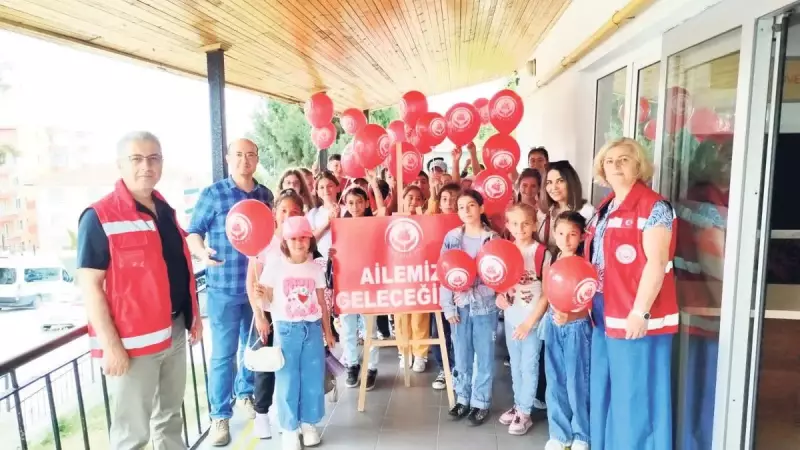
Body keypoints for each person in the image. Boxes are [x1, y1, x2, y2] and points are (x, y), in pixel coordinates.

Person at [76, 131, 202, 450]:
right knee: (132, 435)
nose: (146, 165)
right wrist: (111, 345)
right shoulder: (100, 216)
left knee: (170, 418)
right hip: (132, 347)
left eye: (154, 158)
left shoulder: (164, 209)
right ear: (120, 165)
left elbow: (177, 268)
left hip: (173, 332)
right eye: (136, 158)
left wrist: (192, 318)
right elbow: (90, 286)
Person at [587, 137, 678, 450]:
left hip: (633, 313)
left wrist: (641, 312)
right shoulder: (606, 206)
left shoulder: (655, 207)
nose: (615, 166)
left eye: (624, 159)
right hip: (603, 309)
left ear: (639, 165)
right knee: (606, 388)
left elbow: (658, 262)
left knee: (633, 396)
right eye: (610, 161)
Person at [186, 138, 274, 446]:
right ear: (228, 158)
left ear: (257, 158)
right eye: (238, 155)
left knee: (253, 348)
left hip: (258, 289)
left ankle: (246, 393)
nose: (244, 160)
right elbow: (193, 231)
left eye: (250, 155)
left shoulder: (265, 194)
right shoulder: (214, 194)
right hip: (223, 287)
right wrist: (201, 252)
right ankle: (219, 417)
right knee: (223, 355)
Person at [257, 216, 335, 450]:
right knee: (288, 380)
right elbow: (268, 301)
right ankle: (290, 429)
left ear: (310, 240)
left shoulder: (315, 268)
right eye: (293, 238)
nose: (299, 243)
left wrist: (327, 331)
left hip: (311, 329)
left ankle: (309, 423)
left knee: (312, 377)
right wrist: (261, 296)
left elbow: (322, 303)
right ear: (285, 241)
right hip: (286, 329)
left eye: (303, 237)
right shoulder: (274, 266)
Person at [245, 189, 307, 439]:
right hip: (269, 314)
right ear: (274, 213)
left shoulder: (303, 241)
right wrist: (259, 315)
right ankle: (262, 415)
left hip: (294, 314)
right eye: (284, 211)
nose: (288, 215)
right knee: (267, 365)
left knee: (292, 367)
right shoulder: (264, 243)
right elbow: (252, 282)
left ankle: (291, 418)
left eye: (294, 212)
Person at [441, 190, 498, 426]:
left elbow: (499, 274)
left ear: (481, 208)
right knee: (462, 354)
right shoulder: (452, 238)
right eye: (461, 206)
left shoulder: (492, 238)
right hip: (460, 305)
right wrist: (448, 306)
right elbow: (444, 272)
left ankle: (481, 402)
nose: (466, 210)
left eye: (471, 205)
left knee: (484, 356)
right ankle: (463, 398)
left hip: (485, 307)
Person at [495, 203, 552, 436]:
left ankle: (525, 412)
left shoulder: (541, 253)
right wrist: (500, 298)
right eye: (515, 223)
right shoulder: (505, 250)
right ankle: (519, 404)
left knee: (529, 365)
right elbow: (499, 283)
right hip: (511, 318)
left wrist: (530, 322)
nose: (521, 228)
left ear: (534, 224)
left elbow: (548, 293)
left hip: (532, 320)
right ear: (507, 225)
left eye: (526, 223)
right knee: (516, 365)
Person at [544, 211, 592, 450]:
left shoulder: (586, 265)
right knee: (555, 380)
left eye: (572, 234)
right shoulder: (552, 260)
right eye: (561, 233)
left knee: (577, 382)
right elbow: (547, 294)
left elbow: (588, 303)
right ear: (554, 234)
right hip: (553, 324)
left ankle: (581, 434)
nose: (566, 239)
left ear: (582, 237)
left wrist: (570, 315)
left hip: (577, 327)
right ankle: (559, 433)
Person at [338, 180, 386, 390]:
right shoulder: (340, 225)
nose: (355, 207)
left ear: (366, 203)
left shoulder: (373, 223)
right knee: (348, 328)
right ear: (346, 205)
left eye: (359, 202)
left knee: (369, 328)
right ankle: (352, 365)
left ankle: (371, 367)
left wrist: (374, 184)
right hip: (346, 282)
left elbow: (383, 210)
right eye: (350, 203)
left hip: (368, 283)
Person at [426, 182, 461, 390]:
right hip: (437, 286)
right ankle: (444, 368)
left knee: (460, 329)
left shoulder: (467, 224)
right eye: (445, 199)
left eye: (454, 199)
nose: (450, 203)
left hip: (462, 288)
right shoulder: (431, 222)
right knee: (438, 330)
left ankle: (459, 368)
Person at [394, 184, 431, 372]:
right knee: (401, 316)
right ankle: (404, 351)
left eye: (418, 198)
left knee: (419, 317)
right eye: (410, 197)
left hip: (420, 275)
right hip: (399, 276)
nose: (414, 201)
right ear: (402, 199)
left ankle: (420, 353)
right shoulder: (393, 221)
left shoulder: (426, 221)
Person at [538, 161, 595, 254]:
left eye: (560, 181)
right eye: (549, 182)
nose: (554, 187)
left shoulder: (587, 212)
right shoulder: (543, 213)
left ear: (571, 182)